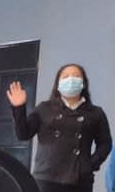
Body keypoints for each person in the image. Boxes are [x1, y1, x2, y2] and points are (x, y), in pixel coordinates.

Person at [8, 64, 112, 192]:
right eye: (65, 76)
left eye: (76, 76)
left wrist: (90, 164)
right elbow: (23, 134)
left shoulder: (95, 113)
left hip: (80, 180)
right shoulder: (44, 108)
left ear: (83, 83)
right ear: (58, 84)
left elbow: (105, 143)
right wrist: (19, 108)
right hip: (46, 178)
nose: (71, 79)